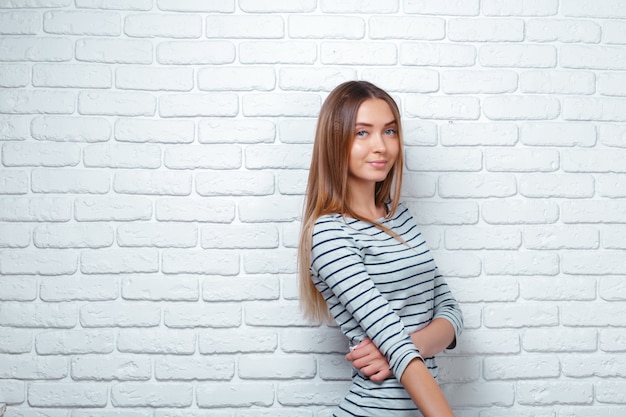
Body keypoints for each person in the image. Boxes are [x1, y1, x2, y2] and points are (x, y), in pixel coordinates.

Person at [298, 80, 463, 417]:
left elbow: (451, 313)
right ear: (335, 141)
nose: (381, 147)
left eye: (389, 131)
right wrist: (400, 346)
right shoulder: (330, 233)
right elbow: (394, 337)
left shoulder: (398, 216)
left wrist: (403, 347)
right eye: (362, 133)